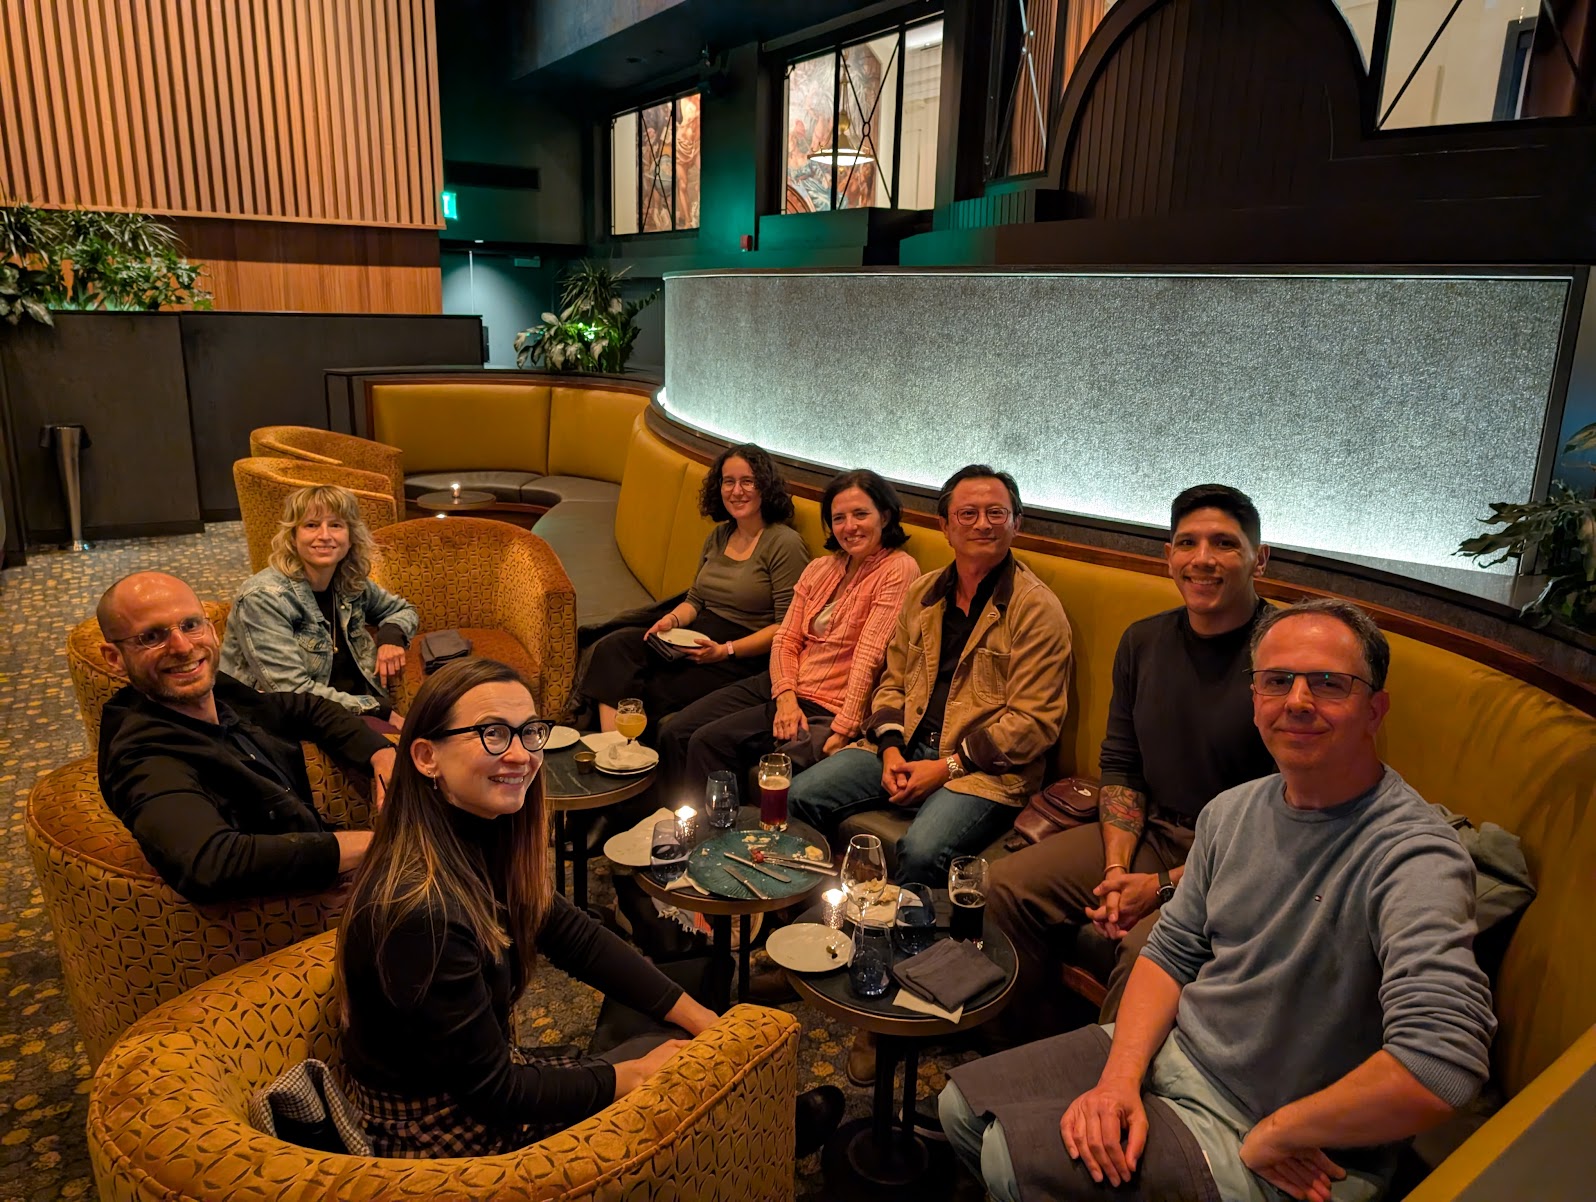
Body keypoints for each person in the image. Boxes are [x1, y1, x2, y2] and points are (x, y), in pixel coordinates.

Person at [939, 599, 1497, 1202]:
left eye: (1331, 683)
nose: (1299, 701)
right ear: (1255, 698)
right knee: (959, 1108)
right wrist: (1119, 1082)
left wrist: (1277, 1132)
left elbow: (1443, 1063)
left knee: (1008, 1159)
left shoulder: (1414, 855)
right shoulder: (1233, 812)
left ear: (1375, 710)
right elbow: (1172, 949)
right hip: (1183, 1056)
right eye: (1277, 681)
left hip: (1293, 1134)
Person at [336, 657, 844, 1157]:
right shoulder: (420, 910)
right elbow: (494, 1091)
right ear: (425, 756)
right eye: (493, 733)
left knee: (687, 995)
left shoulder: (472, 834)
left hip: (476, 1081)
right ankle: (773, 1133)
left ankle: (764, 1124)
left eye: (528, 732)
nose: (521, 755)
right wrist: (631, 1076)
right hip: (453, 1133)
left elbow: (573, 934)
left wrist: (702, 1020)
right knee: (676, 1061)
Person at [989, 484, 1278, 1034]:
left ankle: (1111, 1095)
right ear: (1167, 555)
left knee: (1150, 951)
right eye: (1187, 543)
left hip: (1241, 856)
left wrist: (1164, 887)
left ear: (1258, 558)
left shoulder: (1284, 653)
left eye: (1224, 544)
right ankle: (1018, 1051)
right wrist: (1118, 869)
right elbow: (1121, 764)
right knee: (1004, 886)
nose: (1202, 559)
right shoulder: (1143, 641)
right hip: (1150, 832)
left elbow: (1284, 818)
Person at [787, 464, 1073, 888]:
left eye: (996, 513)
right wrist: (889, 750)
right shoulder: (924, 592)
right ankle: (810, 921)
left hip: (984, 771)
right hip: (906, 745)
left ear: (1016, 523)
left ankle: (908, 951)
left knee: (922, 851)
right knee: (800, 795)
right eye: (967, 514)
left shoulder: (1037, 609)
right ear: (944, 525)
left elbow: (1033, 724)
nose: (983, 524)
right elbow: (892, 681)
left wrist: (947, 767)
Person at [96, 571, 395, 903]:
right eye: (151, 637)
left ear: (211, 629)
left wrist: (380, 753)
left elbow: (305, 707)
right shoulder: (141, 756)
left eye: (190, 625)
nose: (182, 647)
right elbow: (211, 864)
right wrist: (378, 846)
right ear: (114, 659)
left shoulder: (219, 691)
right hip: (293, 912)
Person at [656, 469, 920, 800]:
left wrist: (844, 729)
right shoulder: (821, 568)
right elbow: (786, 639)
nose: (849, 527)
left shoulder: (899, 568)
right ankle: (670, 822)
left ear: (885, 515)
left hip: (825, 704)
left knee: (708, 740)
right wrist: (785, 697)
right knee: (675, 729)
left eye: (860, 514)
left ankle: (709, 839)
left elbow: (871, 656)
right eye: (839, 518)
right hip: (784, 685)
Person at [578, 443, 809, 735]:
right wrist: (670, 621)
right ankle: (614, 751)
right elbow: (695, 599)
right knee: (613, 649)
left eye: (748, 481)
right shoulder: (719, 535)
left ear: (765, 486)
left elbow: (787, 627)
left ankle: (629, 759)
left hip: (744, 653)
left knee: (651, 686)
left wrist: (725, 651)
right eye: (729, 482)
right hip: (698, 636)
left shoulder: (783, 543)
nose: (737, 491)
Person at [220, 484, 418, 720]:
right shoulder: (264, 597)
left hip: (346, 708)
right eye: (311, 525)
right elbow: (291, 691)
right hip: (287, 718)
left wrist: (391, 638)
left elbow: (402, 610)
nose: (325, 536)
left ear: (351, 536)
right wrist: (377, 709)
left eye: (336, 525)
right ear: (293, 537)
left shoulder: (349, 581)